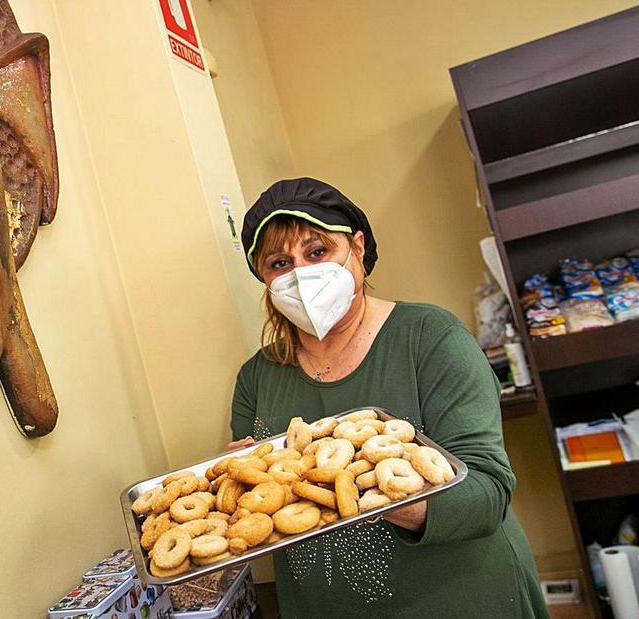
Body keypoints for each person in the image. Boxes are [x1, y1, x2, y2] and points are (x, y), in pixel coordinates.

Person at [229, 177, 548, 618]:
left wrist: (383, 500)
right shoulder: (255, 378)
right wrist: (234, 484)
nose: (300, 274)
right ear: (263, 279)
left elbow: (488, 491)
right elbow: (258, 515)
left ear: (357, 248)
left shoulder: (431, 338)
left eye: (318, 252)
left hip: (458, 598)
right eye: (280, 262)